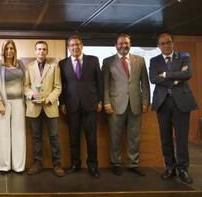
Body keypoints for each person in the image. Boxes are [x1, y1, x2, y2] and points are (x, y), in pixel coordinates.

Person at [149, 32, 198, 184]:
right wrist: (176, 79)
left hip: (181, 102)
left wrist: (165, 74)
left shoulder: (184, 56)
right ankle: (170, 167)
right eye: (162, 43)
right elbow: (153, 78)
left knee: (182, 138)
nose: (165, 45)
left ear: (173, 43)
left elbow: (188, 74)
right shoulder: (154, 60)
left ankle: (183, 169)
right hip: (162, 102)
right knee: (165, 137)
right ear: (158, 46)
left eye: (168, 42)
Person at [102, 33, 150, 177]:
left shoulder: (140, 60)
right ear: (116, 45)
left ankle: (133, 163)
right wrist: (106, 102)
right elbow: (104, 85)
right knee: (115, 136)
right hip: (115, 105)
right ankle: (116, 163)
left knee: (134, 136)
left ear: (130, 44)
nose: (124, 45)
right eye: (121, 43)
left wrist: (146, 101)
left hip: (135, 104)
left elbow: (145, 84)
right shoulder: (107, 61)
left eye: (126, 43)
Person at [58, 34, 102, 178]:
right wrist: (62, 102)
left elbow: (99, 82)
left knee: (91, 138)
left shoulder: (93, 60)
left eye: (77, 44)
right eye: (72, 45)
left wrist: (100, 101)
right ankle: (75, 164)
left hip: (90, 105)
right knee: (74, 138)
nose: (75, 47)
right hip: (72, 106)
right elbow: (62, 85)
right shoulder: (62, 63)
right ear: (68, 48)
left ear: (82, 45)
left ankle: (93, 166)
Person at [24, 40, 64, 177]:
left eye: (44, 49)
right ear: (35, 51)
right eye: (39, 49)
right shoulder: (28, 67)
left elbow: (58, 87)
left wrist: (49, 99)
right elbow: (25, 87)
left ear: (47, 51)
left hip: (50, 106)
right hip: (34, 107)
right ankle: (37, 163)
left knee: (54, 136)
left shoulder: (54, 66)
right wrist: (32, 96)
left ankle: (57, 164)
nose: (41, 51)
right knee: (36, 137)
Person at [0, 40, 26, 174]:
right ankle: (3, 165)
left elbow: (25, 82)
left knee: (19, 134)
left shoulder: (21, 64)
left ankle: (18, 166)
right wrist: (0, 102)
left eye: (11, 48)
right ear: (3, 50)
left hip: (19, 103)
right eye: (7, 49)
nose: (9, 51)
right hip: (4, 104)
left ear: (15, 50)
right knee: (3, 134)